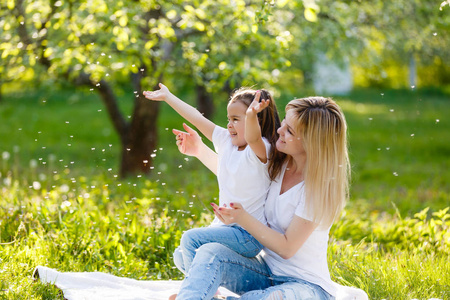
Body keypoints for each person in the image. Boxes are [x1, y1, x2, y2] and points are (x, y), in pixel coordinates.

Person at [172, 96, 350, 299]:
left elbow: (286, 248)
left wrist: (242, 218)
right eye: (283, 123)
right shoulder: (280, 163)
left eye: (289, 131)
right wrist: (199, 150)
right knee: (207, 254)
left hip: (306, 286)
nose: (279, 131)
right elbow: (239, 177)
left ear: (312, 142)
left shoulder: (317, 190)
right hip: (264, 272)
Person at [143, 84, 284, 276]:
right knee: (180, 254)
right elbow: (197, 118)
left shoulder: (260, 150)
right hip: (225, 229)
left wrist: (251, 116)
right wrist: (168, 97)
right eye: (228, 119)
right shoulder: (226, 141)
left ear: (255, 120)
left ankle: (198, 290)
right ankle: (207, 288)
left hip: (248, 235)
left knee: (191, 239)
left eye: (236, 119)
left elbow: (253, 137)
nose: (229, 125)